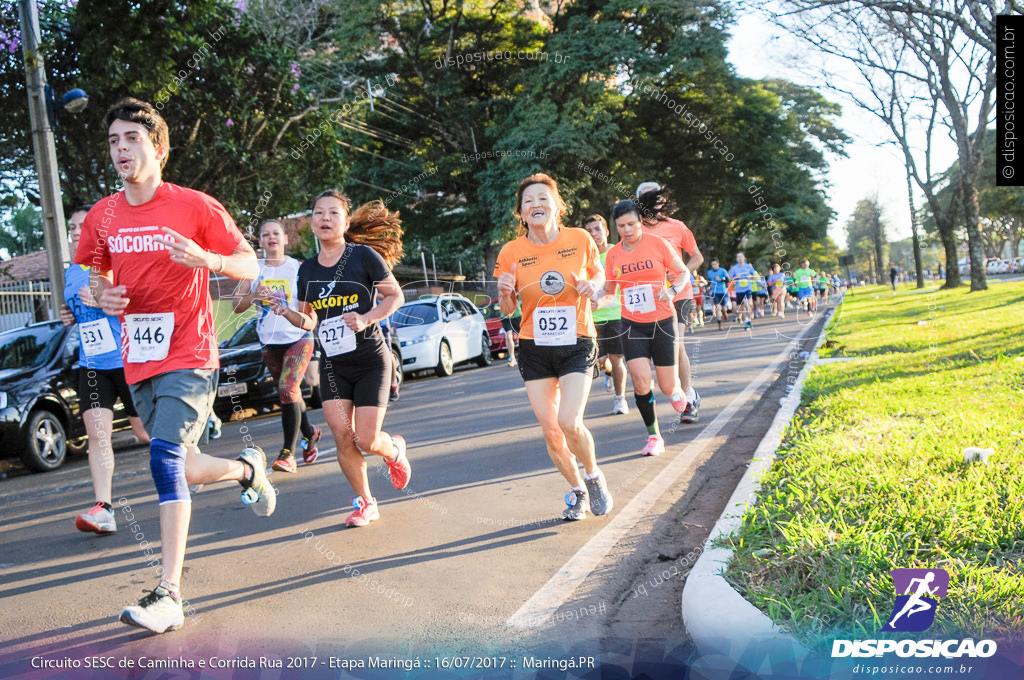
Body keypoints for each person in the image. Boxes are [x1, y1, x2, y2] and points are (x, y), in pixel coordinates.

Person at [76, 97, 274, 634]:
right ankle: (247, 469)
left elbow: (249, 263)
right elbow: (91, 280)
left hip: (189, 350)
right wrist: (103, 295)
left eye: (132, 139)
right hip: (137, 357)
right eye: (114, 140)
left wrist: (208, 259)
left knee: (164, 461)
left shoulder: (195, 206)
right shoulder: (101, 216)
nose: (121, 148)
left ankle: (169, 593)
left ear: (158, 149)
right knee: (182, 465)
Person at [271, 192, 411, 528]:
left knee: (366, 438)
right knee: (341, 435)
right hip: (333, 363)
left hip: (371, 360)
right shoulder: (306, 270)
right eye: (318, 212)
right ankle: (366, 502)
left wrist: (366, 318)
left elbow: (395, 295)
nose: (325, 218)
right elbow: (309, 321)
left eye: (333, 213)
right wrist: (286, 311)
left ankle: (393, 449)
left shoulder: (364, 256)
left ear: (345, 223)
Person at [495, 174, 613, 520]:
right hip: (534, 345)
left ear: (558, 206)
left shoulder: (579, 239)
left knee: (569, 422)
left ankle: (593, 476)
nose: (536, 205)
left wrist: (592, 285)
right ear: (521, 212)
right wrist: (504, 292)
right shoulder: (511, 252)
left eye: (544, 198)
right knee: (550, 430)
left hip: (577, 340)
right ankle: (577, 491)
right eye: (528, 201)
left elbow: (598, 273)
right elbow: (507, 309)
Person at [61, 205, 151, 535]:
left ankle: (189, 460)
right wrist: (67, 313)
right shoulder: (71, 271)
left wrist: (103, 301)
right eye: (72, 226)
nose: (74, 230)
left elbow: (138, 303)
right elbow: (73, 307)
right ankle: (104, 508)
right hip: (92, 364)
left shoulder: (113, 262)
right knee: (98, 436)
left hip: (127, 359)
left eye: (81, 225)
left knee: (144, 432)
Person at [600, 200, 690, 457]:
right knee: (640, 382)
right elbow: (609, 292)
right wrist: (595, 300)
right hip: (631, 325)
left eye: (631, 224)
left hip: (662, 321)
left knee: (667, 386)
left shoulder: (658, 244)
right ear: (615, 227)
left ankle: (675, 391)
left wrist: (672, 290)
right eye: (621, 226)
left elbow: (683, 272)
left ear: (640, 221)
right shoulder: (614, 255)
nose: (627, 229)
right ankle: (654, 436)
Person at [231, 220, 321, 474]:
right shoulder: (253, 270)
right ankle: (310, 433)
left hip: (299, 338)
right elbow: (237, 306)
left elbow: (310, 309)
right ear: (260, 242)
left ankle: (288, 454)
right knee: (288, 395)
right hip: (270, 344)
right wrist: (254, 296)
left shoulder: (298, 269)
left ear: (285, 240)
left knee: (288, 388)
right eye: (265, 234)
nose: (271, 238)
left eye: (276, 234)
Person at [635, 183, 702, 423]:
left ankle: (688, 397)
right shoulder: (635, 228)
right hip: (648, 297)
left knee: (678, 344)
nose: (655, 201)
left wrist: (682, 271)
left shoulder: (677, 226)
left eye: (658, 197)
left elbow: (697, 257)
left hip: (678, 293)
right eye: (647, 197)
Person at [583, 215, 628, 416]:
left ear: (606, 232)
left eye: (597, 229)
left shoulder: (616, 253)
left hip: (617, 314)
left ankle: (620, 400)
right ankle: (608, 372)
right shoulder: (584, 258)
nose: (594, 234)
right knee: (600, 362)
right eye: (590, 231)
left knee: (617, 359)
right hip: (592, 317)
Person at [728, 252, 757, 330]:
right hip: (739, 290)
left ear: (744, 258)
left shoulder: (748, 267)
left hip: (748, 288)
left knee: (747, 304)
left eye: (741, 257)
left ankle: (749, 320)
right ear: (737, 259)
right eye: (738, 257)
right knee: (741, 308)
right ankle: (746, 321)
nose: (740, 258)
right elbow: (730, 279)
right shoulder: (734, 268)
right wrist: (736, 277)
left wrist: (750, 276)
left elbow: (755, 276)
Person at [705, 258, 730, 330]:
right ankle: (720, 324)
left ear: (718, 264)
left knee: (724, 308)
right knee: (718, 308)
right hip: (715, 292)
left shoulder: (723, 270)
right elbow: (709, 281)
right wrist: (708, 287)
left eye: (715, 264)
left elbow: (728, 280)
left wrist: (721, 280)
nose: (714, 266)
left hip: (723, 292)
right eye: (712, 264)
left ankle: (725, 312)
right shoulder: (709, 272)